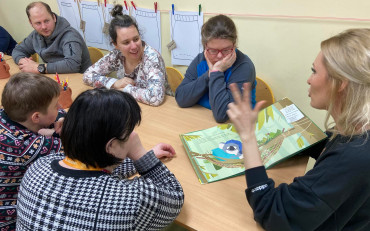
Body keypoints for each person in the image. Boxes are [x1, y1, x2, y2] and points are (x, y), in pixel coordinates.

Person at [227, 28, 370, 231]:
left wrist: (248, 136)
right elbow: (332, 146)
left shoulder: (353, 157)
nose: (309, 80)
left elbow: (272, 213)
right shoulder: (358, 131)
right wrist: (295, 128)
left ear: (341, 84)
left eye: (314, 71)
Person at [16, 88, 184, 230]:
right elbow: (174, 197)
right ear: (110, 147)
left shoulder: (38, 167)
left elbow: (97, 169)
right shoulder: (130, 200)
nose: (133, 135)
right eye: (129, 131)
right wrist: (140, 153)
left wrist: (149, 154)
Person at [0, 72, 65, 231]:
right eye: (55, 105)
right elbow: (78, 144)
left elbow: (56, 117)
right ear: (36, 117)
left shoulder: (7, 115)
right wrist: (62, 129)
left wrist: (56, 123)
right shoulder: (25, 146)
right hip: (9, 221)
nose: (60, 107)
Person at [83, 5, 171, 107]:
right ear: (115, 44)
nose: (134, 46)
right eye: (126, 42)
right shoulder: (117, 55)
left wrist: (124, 89)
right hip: (131, 105)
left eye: (136, 39)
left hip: (161, 110)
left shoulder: (152, 58)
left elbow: (155, 97)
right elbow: (87, 75)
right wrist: (114, 84)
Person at [175, 15, 256, 123]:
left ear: (234, 44)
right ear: (205, 46)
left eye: (226, 50)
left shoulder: (244, 66)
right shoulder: (200, 60)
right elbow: (181, 98)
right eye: (213, 50)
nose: (219, 56)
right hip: (202, 120)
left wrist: (216, 72)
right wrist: (209, 74)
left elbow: (222, 115)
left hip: (238, 126)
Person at [12, 1, 91, 74]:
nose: (43, 27)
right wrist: (22, 61)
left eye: (46, 21)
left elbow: (72, 65)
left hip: (80, 80)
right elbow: (18, 50)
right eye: (38, 23)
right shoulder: (35, 35)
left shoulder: (70, 35)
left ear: (54, 17)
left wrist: (38, 68)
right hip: (55, 77)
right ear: (31, 23)